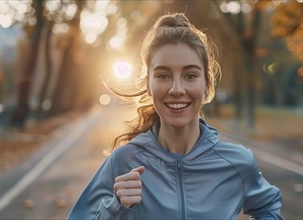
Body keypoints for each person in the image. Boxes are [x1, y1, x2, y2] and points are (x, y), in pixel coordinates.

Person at [68, 13, 284, 220]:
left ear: (207, 85)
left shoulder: (238, 162)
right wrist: (116, 209)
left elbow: (268, 208)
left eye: (190, 75)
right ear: (148, 85)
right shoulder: (124, 162)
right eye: (163, 75)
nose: (177, 89)